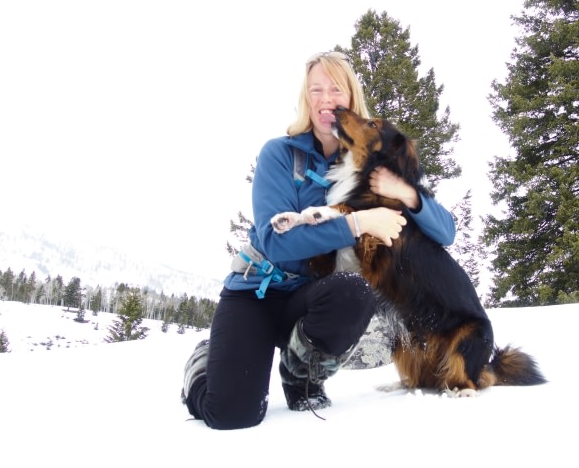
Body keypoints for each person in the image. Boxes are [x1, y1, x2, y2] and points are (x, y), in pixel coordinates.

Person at [181, 50, 457, 430]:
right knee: (231, 415)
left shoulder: (366, 157)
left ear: (350, 96)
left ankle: (301, 377)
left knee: (353, 292)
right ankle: (204, 364)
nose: (326, 100)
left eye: (335, 90)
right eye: (316, 90)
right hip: (257, 293)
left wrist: (408, 193)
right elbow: (277, 244)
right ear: (306, 98)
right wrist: (359, 221)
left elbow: (446, 231)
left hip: (312, 301)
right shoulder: (279, 154)